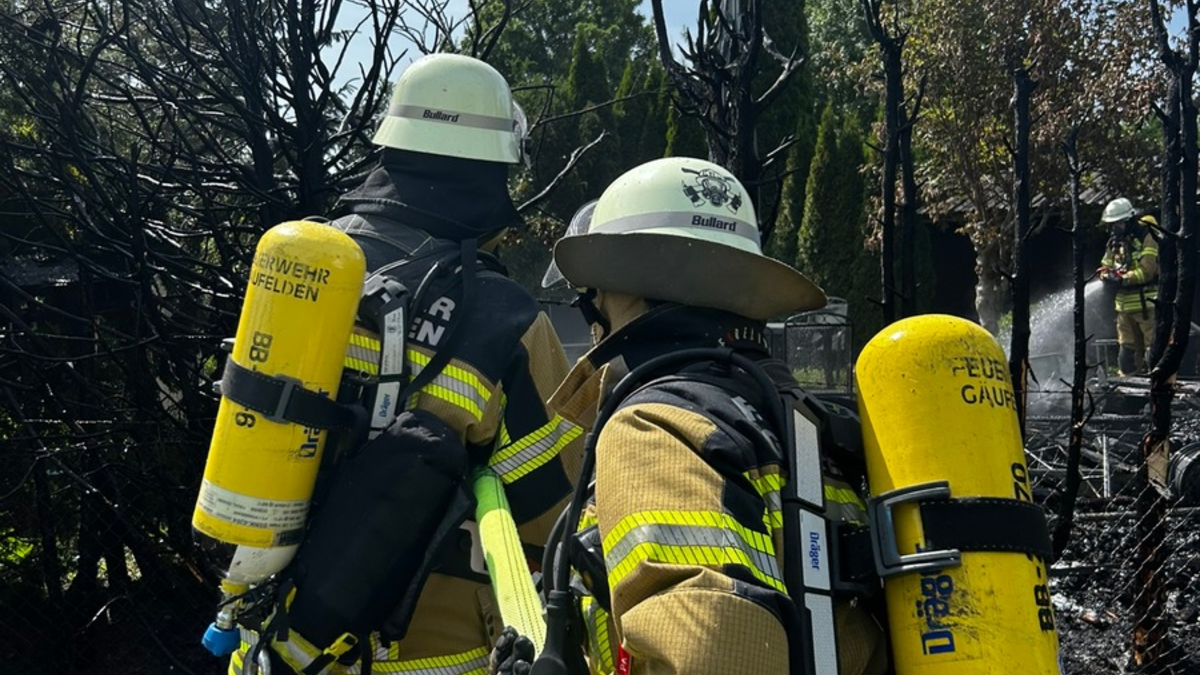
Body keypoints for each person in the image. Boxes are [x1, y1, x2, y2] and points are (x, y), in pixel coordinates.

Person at [229, 53, 583, 675]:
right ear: (495, 173)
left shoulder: (301, 266)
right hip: (425, 655)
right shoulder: (504, 318)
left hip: (275, 640)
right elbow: (551, 519)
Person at [501, 157, 888, 675]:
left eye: (591, 295)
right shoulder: (796, 418)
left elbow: (717, 652)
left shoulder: (654, 428)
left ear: (618, 290)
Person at [1098, 197, 1159, 376]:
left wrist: (1123, 279)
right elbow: (1105, 265)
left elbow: (1147, 270)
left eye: (1116, 224)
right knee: (1127, 355)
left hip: (1147, 305)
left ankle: (1157, 388)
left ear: (1127, 220)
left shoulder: (1147, 237)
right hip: (1123, 307)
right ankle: (1129, 394)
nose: (1113, 228)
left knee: (1152, 351)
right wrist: (1106, 275)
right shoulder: (1114, 242)